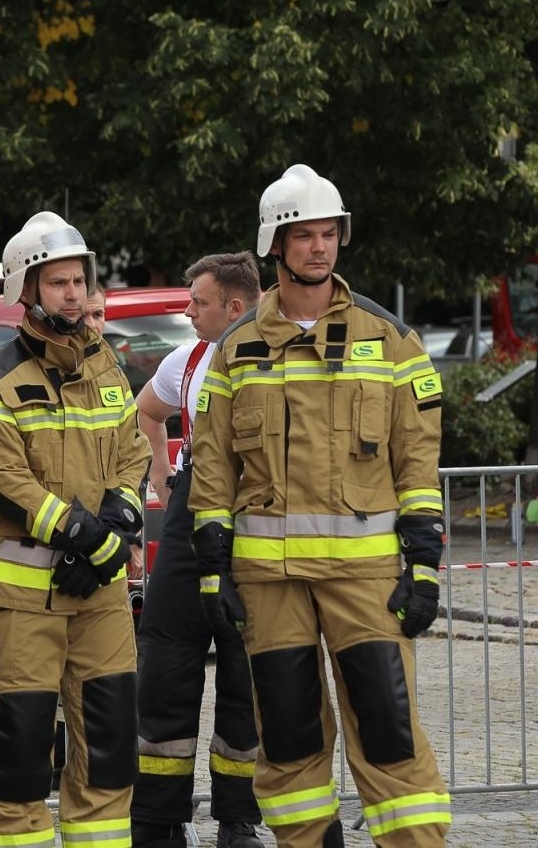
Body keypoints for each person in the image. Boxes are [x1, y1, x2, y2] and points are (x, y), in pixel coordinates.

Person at [189, 165, 451, 847]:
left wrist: (424, 565)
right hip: (270, 585)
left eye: (329, 234)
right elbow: (213, 463)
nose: (319, 248)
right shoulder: (235, 349)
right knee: (290, 743)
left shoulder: (390, 340)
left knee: (390, 734)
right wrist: (211, 568)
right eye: (303, 235)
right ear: (275, 244)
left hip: (365, 583)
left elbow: (417, 462)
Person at [0, 210, 152, 848]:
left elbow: (133, 451)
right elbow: (5, 480)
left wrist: (118, 520)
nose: (74, 294)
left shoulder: (107, 370)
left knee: (110, 750)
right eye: (58, 283)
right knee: (18, 765)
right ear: (26, 290)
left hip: (102, 600)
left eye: (78, 282)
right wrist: (85, 538)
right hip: (21, 607)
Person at [133, 253, 265, 848]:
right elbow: (147, 411)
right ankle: (160, 820)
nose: (186, 313)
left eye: (197, 303)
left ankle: (238, 819)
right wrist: (161, 471)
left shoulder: (272, 354)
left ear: (235, 307)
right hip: (191, 514)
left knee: (246, 671)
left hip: (252, 514)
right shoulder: (186, 361)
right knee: (165, 665)